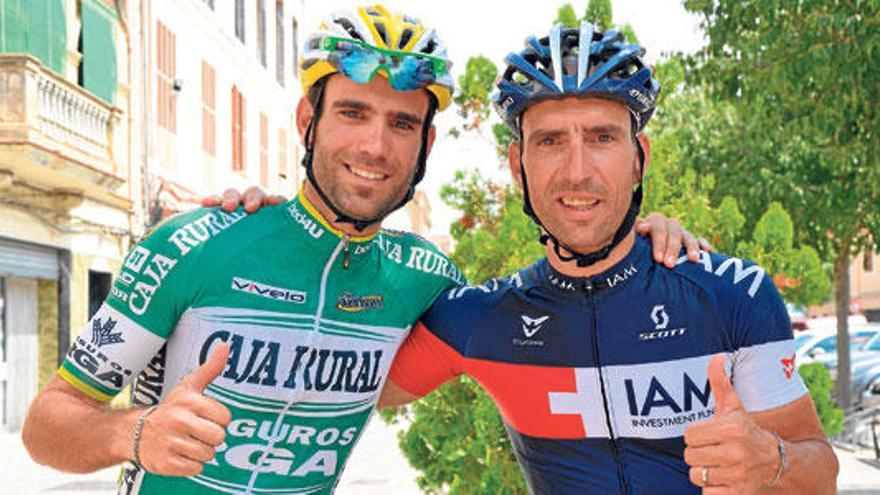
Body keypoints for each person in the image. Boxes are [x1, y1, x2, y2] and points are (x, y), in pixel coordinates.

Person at [21, 6, 698, 495]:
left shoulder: (426, 279)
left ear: (425, 147)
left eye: (402, 123)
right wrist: (131, 433)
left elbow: (550, 292)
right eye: (352, 113)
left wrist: (644, 239)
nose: (375, 147)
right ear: (307, 121)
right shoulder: (192, 244)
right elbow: (45, 424)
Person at [378, 23, 838, 494]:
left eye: (601, 138)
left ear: (639, 158)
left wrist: (772, 460)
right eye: (551, 141)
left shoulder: (733, 294)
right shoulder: (479, 318)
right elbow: (335, 387)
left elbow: (821, 475)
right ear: (518, 166)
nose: (577, 172)